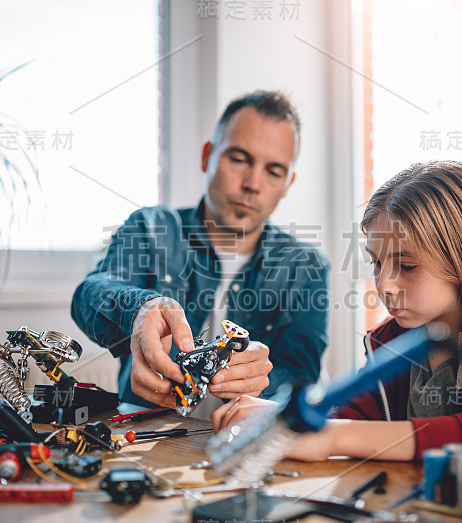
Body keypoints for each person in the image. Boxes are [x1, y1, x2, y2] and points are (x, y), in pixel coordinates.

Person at [212, 160, 462, 479]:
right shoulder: (391, 341)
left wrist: (331, 437)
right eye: (376, 262)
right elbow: (352, 418)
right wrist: (283, 417)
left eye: (407, 265)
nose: (384, 284)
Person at [71, 90, 330, 413]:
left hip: (244, 445)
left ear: (288, 183)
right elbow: (87, 295)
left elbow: (302, 378)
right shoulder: (149, 228)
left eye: (273, 171)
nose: (253, 183)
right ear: (207, 156)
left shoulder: (307, 267)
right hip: (144, 432)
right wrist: (141, 309)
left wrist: (264, 382)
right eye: (239, 159)